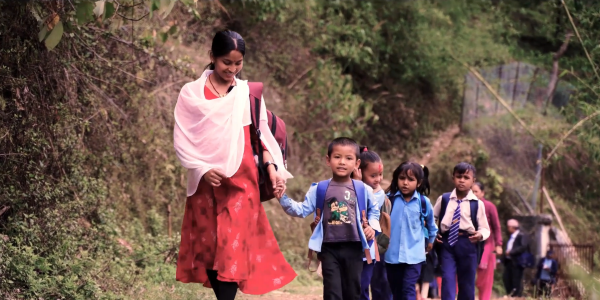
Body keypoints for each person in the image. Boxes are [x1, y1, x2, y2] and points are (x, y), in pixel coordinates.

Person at [173, 30, 296, 300]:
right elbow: (182, 139)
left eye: (238, 63)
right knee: (211, 250)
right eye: (227, 62)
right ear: (212, 57)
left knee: (231, 250)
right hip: (207, 184)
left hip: (242, 184)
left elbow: (261, 137)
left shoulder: (247, 94)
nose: (232, 69)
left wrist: (272, 169)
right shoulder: (191, 93)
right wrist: (202, 169)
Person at [277, 137, 381, 300]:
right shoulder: (320, 189)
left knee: (353, 293)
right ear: (328, 160)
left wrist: (372, 227)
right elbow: (301, 210)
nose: (342, 162)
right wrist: (282, 198)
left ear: (357, 163)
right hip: (329, 249)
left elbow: (374, 211)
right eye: (337, 157)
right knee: (332, 293)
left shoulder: (363, 189)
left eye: (348, 158)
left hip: (354, 248)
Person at [433, 162, 490, 300]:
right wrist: (433, 233)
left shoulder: (477, 204)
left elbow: (485, 228)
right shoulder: (444, 199)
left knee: (467, 283)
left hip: (468, 243)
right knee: (447, 278)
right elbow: (432, 219)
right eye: (459, 176)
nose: (462, 180)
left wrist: (480, 234)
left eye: (466, 177)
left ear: (473, 181)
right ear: (453, 178)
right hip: (447, 243)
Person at [385, 162, 438, 300]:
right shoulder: (389, 200)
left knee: (408, 288)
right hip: (392, 255)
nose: (405, 183)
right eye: (402, 178)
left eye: (410, 179)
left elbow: (432, 225)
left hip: (414, 256)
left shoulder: (424, 203)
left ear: (419, 183)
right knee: (396, 291)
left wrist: (431, 241)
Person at [353, 147, 393, 300]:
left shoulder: (383, 198)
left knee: (373, 284)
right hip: (353, 246)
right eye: (373, 175)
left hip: (375, 248)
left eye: (380, 175)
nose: (378, 179)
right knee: (356, 286)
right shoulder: (349, 189)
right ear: (359, 171)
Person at [471, 182, 503, 300]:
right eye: (471, 191)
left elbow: (496, 227)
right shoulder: (465, 205)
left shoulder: (489, 206)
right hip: (470, 243)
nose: (473, 194)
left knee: (484, 279)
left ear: (482, 193)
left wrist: (499, 244)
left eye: (476, 191)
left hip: (487, 244)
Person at [502, 219, 529, 297]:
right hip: (509, 261)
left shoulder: (521, 236)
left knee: (516, 279)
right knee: (506, 278)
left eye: (508, 227)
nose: (508, 229)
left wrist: (511, 252)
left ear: (512, 227)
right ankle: (510, 294)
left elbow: (523, 247)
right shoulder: (511, 237)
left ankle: (516, 296)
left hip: (517, 262)